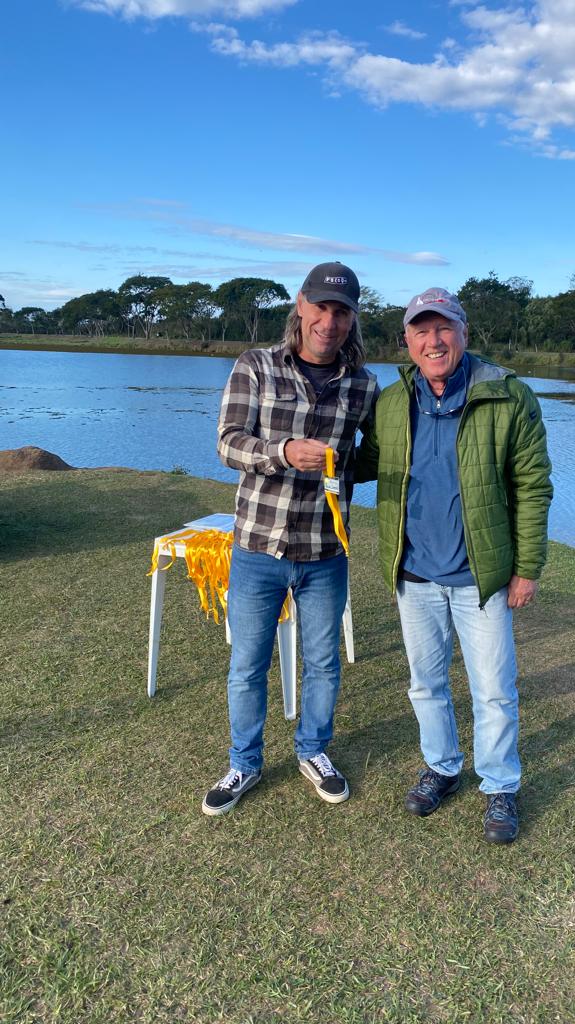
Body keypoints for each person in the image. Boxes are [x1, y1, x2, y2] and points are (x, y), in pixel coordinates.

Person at [356, 288, 552, 843]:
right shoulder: (394, 401)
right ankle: (441, 767)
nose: (433, 341)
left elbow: (533, 486)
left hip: (479, 577)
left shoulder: (508, 395)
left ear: (464, 333)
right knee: (425, 685)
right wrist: (305, 452)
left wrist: (527, 568)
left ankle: (500, 785)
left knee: (493, 690)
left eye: (443, 328)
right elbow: (367, 462)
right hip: (414, 573)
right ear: (407, 341)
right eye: (421, 331)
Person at [202, 262, 378, 816]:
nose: (329, 321)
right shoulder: (255, 365)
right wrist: (281, 453)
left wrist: (348, 467)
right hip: (258, 547)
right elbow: (228, 443)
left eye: (341, 311)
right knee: (247, 665)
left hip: (326, 551)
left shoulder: (364, 384)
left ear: (352, 318)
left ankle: (313, 750)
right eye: (321, 307)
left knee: (323, 663)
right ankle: (244, 762)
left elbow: (373, 457)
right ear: (301, 305)